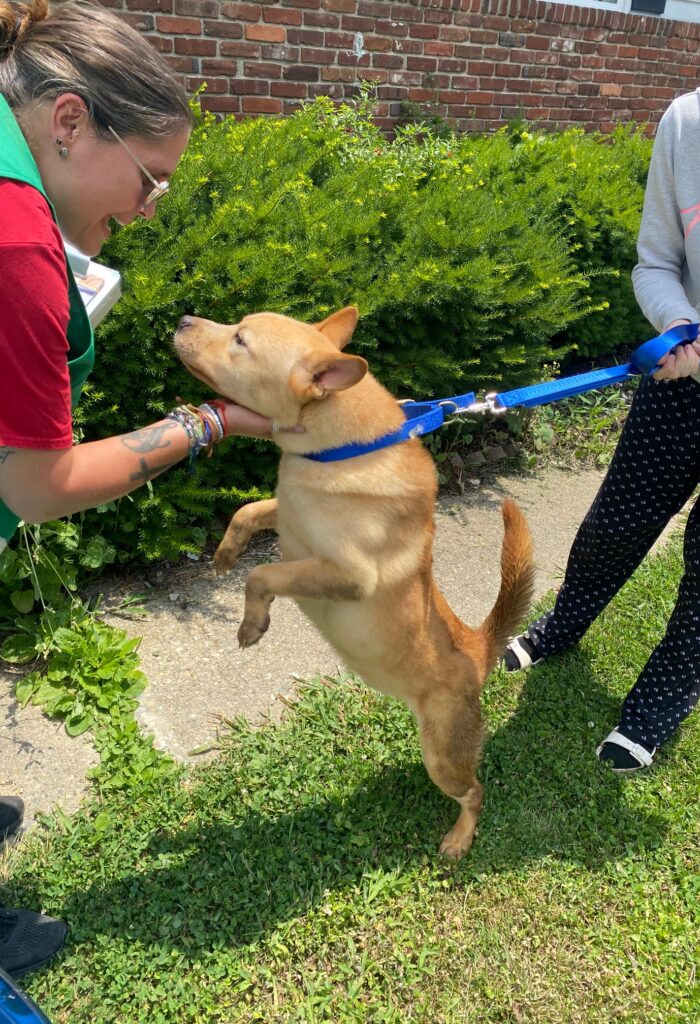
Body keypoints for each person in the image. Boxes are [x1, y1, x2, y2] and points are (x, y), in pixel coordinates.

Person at [0, 0, 297, 975]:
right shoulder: (18, 247)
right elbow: (44, 487)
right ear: (72, 121)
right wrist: (206, 422)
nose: (149, 206)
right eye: (150, 178)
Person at [503, 1, 700, 773]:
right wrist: (680, 325)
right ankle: (561, 629)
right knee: (614, 524)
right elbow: (654, 261)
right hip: (679, 389)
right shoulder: (686, 124)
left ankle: (654, 708)